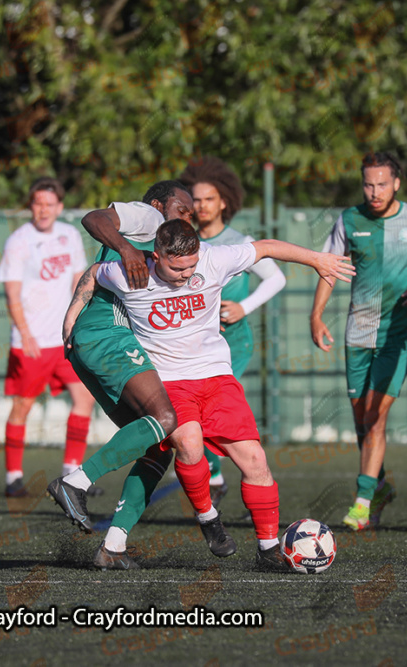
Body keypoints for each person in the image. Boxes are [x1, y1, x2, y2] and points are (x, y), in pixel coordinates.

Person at [61, 219, 354, 570]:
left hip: (216, 376)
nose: (186, 274)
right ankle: (208, 517)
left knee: (255, 460)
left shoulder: (214, 259)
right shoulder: (130, 273)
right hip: (167, 382)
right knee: (188, 441)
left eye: (191, 266)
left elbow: (267, 247)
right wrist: (72, 314)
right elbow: (93, 272)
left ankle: (268, 548)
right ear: (156, 256)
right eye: (177, 267)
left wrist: (318, 259)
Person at [311, 151, 407, 532]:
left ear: (397, 183)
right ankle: (379, 487)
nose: (374, 191)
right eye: (368, 184)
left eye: (382, 184)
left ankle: (360, 503)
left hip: (399, 333)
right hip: (357, 332)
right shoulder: (349, 219)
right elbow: (329, 269)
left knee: (377, 417)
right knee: (362, 420)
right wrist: (316, 315)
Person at [46, 181, 194, 565]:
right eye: (183, 208)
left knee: (160, 445)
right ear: (161, 204)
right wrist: (127, 248)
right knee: (165, 417)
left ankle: (112, 546)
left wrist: (71, 315)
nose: (188, 217)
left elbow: (95, 272)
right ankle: (74, 482)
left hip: (98, 341)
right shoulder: (149, 217)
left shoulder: (170, 247)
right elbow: (93, 218)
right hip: (107, 336)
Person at [179, 156, 287, 507]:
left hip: (232, 342)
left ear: (224, 201)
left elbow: (277, 278)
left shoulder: (240, 241)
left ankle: (215, 474)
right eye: (195, 199)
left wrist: (244, 307)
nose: (201, 206)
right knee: (192, 410)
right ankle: (214, 473)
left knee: (211, 408)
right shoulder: (182, 242)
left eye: (209, 199)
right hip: (192, 344)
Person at [0, 177, 99, 497]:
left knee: (84, 398)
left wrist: (77, 325)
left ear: (59, 207)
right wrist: (25, 334)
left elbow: (77, 285)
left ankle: (71, 474)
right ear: (31, 206)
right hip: (32, 343)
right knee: (22, 407)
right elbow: (11, 294)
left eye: (50, 204)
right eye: (38, 203)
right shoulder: (18, 241)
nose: (44, 210)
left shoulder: (69, 235)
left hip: (64, 340)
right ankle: (13, 476)